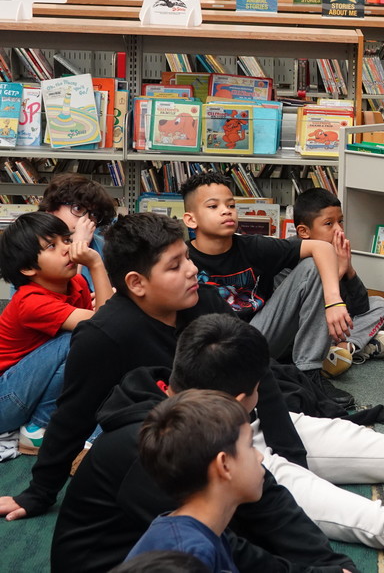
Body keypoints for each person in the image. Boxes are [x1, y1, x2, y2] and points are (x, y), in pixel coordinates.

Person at [50, 312, 384, 565]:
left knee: (334, 439)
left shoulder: (207, 357)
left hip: (223, 441)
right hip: (125, 566)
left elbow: (270, 498)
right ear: (244, 400)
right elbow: (236, 538)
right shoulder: (151, 454)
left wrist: (325, 564)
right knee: (275, 481)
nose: (189, 273)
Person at [0, 213, 279, 521]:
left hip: (241, 425)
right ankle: (37, 424)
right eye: (175, 265)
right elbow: (72, 416)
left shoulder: (204, 302)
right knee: (79, 336)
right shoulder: (98, 333)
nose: (193, 270)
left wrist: (289, 450)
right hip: (13, 390)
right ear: (136, 282)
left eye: (187, 257)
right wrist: (39, 491)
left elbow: (258, 371)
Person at [179, 173, 350, 398]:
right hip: (209, 350)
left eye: (231, 205)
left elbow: (322, 247)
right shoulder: (181, 257)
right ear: (191, 220)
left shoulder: (254, 246)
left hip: (258, 337)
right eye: (213, 206)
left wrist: (334, 301)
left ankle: (309, 372)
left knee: (311, 266)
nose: (226, 210)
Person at [0, 212, 112, 454]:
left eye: (67, 240)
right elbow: (104, 326)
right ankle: (35, 430)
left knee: (90, 345)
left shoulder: (76, 284)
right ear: (28, 268)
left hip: (28, 391)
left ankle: (48, 423)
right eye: (52, 245)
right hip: (5, 399)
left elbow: (104, 335)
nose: (67, 249)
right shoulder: (30, 301)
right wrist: (95, 263)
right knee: (80, 338)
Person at [121, 389, 265, 573]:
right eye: (250, 446)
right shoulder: (188, 556)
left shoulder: (197, 535)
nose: (260, 457)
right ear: (224, 464)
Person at [290, 187, 384, 375]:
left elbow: (361, 307)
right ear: (304, 232)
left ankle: (345, 349)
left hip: (335, 322)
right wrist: (336, 272)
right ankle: (355, 348)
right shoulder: (292, 256)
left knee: (379, 304)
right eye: (329, 224)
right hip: (304, 327)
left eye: (341, 221)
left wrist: (348, 269)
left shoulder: (335, 251)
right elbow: (308, 307)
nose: (339, 230)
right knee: (382, 339)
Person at [38, 173, 118, 291]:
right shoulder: (33, 246)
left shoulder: (104, 247)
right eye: (77, 208)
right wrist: (80, 243)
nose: (86, 219)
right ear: (51, 209)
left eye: (94, 214)